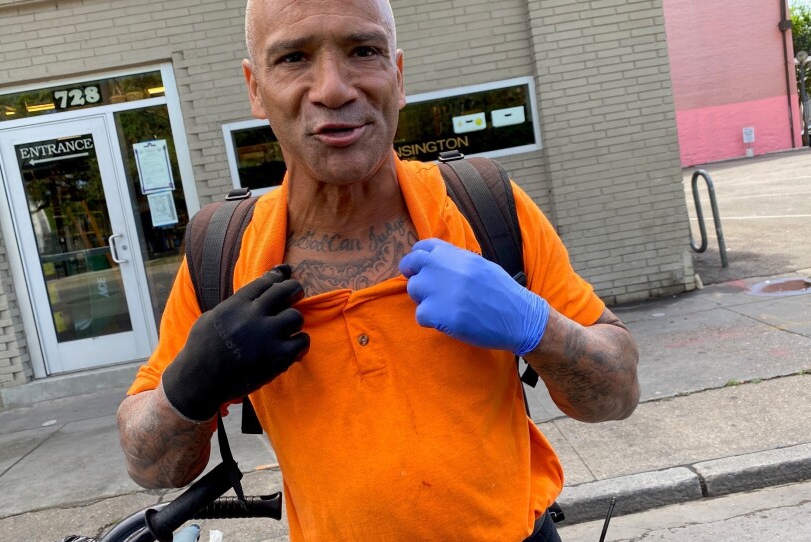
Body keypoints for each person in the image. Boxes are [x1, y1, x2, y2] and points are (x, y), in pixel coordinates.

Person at [117, 0, 640, 540]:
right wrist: (191, 385)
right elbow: (151, 467)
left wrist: (537, 328)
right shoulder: (223, 252)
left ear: (398, 74)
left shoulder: (484, 207)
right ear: (255, 88)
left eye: (362, 51)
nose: (334, 89)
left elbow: (617, 395)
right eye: (294, 58)